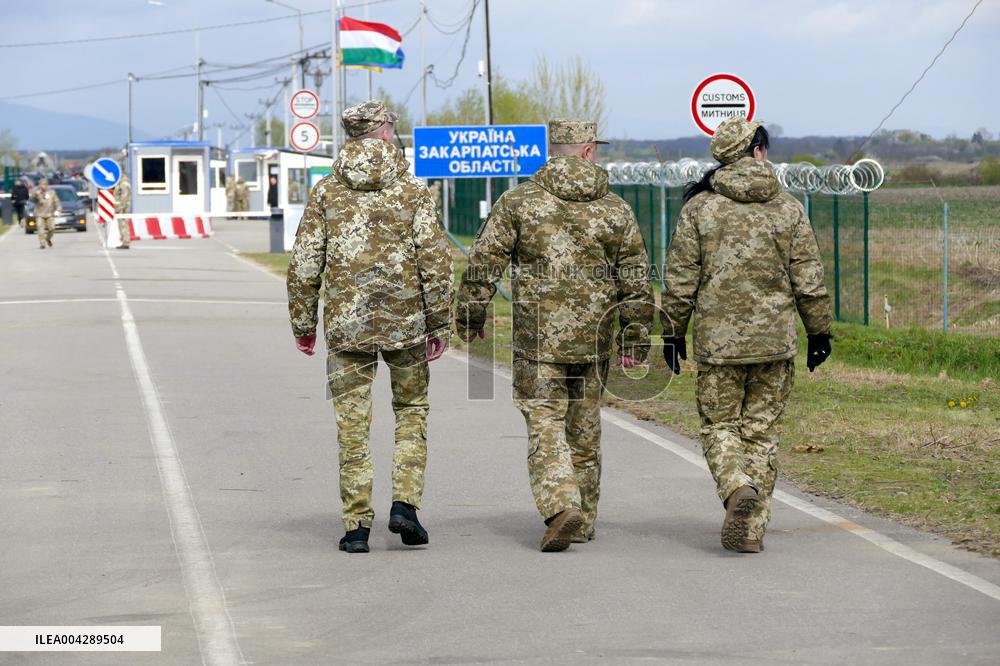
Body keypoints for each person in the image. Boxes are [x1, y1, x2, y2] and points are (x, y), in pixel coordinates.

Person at [455, 119, 655, 552]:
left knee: (545, 424)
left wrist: (470, 317)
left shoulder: (518, 202)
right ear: (586, 151)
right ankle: (581, 519)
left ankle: (561, 504)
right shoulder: (615, 208)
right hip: (595, 341)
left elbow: (483, 263)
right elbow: (636, 278)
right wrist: (636, 339)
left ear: (554, 149)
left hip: (539, 340)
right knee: (584, 429)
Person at [660, 116, 833, 554]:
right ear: (758, 151)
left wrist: (672, 332)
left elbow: (680, 280)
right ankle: (751, 528)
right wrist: (819, 332)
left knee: (720, 425)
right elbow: (808, 278)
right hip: (775, 343)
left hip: (718, 345)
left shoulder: (700, 209)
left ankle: (736, 486)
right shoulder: (789, 207)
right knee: (761, 431)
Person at [287, 100, 454, 554]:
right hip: (407, 325)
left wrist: (303, 323)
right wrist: (441, 321)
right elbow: (436, 262)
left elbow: (304, 264)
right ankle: (405, 506)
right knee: (412, 411)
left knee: (353, 426)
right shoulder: (414, 191)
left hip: (347, 330)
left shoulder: (326, 192)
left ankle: (357, 526)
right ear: (383, 131)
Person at [31, 178, 60, 249]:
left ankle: (48, 238)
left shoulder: (51, 192)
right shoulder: (36, 192)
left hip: (49, 214)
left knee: (52, 228)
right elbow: (33, 199)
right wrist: (36, 195)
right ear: (39, 185)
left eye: (45, 184)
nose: (44, 186)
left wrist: (58, 208)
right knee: (41, 230)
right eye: (42, 184)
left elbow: (57, 201)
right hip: (40, 214)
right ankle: (42, 243)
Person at [114, 171, 131, 249]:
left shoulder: (124, 184)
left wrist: (121, 208)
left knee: (123, 225)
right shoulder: (121, 184)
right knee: (121, 225)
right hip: (121, 208)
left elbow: (124, 197)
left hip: (123, 209)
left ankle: (125, 242)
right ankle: (123, 240)